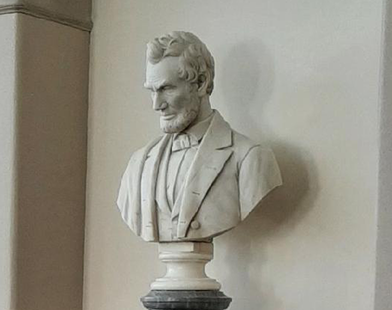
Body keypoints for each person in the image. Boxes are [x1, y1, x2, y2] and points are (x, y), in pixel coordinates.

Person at [117, 31, 282, 242]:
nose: (156, 105)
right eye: (152, 91)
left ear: (201, 83)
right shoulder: (137, 165)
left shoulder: (250, 158)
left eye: (166, 88)